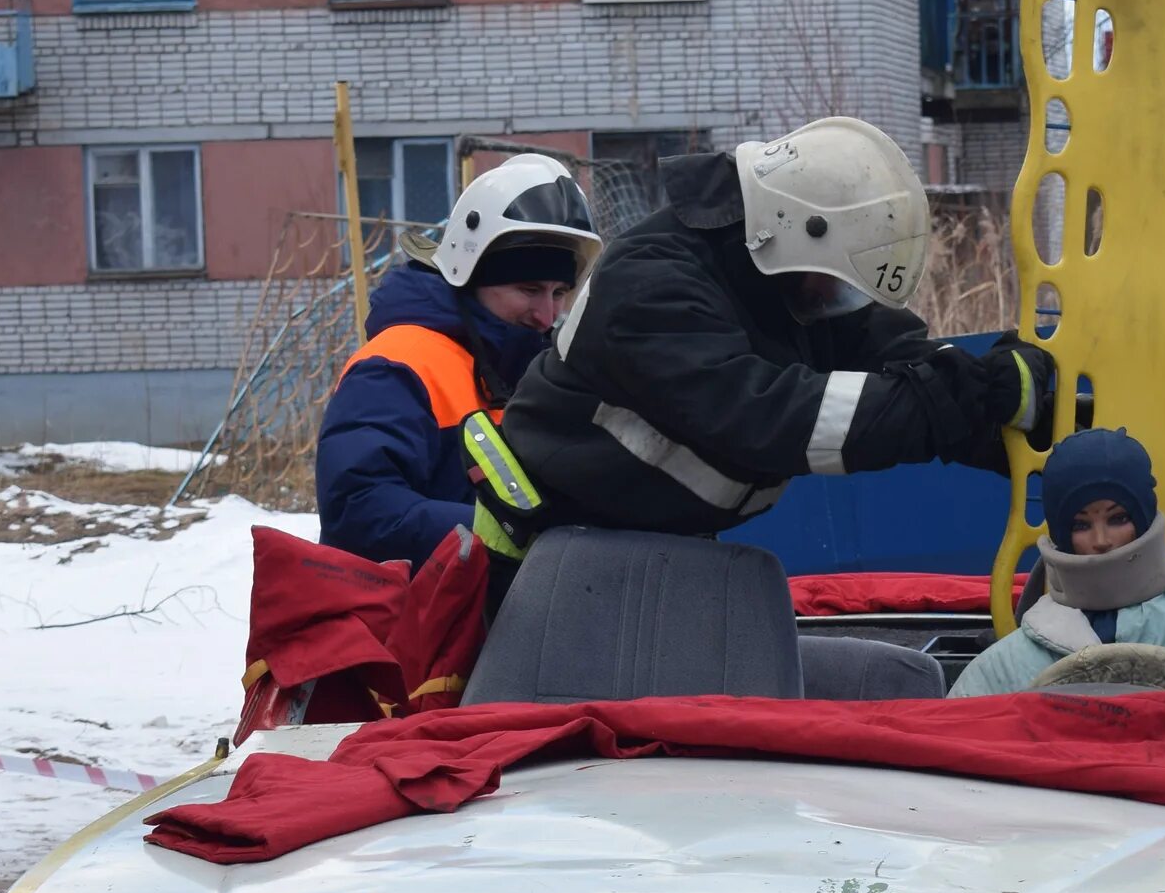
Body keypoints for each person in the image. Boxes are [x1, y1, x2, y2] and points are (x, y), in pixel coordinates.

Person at [490, 117, 1051, 545]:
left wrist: (1001, 403)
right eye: (832, 282)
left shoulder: (783, 277)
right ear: (785, 233)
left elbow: (893, 352)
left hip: (655, 548)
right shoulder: (646, 286)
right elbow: (772, 418)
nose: (837, 300)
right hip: (548, 554)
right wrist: (954, 397)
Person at [315, 155, 601, 567]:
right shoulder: (395, 366)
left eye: (559, 293)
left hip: (510, 612)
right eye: (528, 288)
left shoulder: (535, 367)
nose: (546, 313)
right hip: (414, 623)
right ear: (468, 274)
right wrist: (506, 535)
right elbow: (358, 510)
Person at [950, 427, 1165, 696]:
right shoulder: (1005, 665)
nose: (1102, 540)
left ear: (1144, 516)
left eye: (1118, 518)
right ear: (1059, 531)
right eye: (1081, 524)